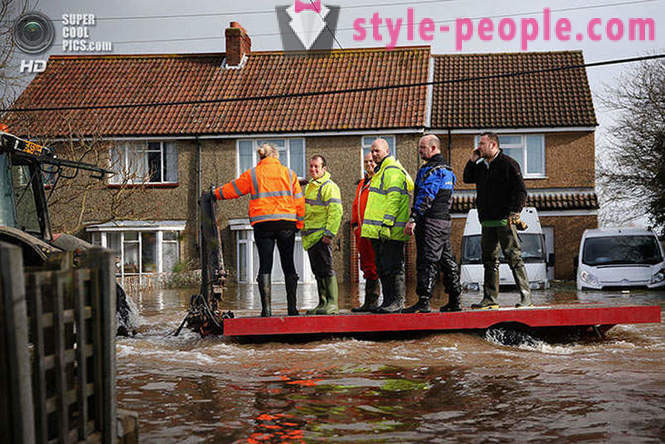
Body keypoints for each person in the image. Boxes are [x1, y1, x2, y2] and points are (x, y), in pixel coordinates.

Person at [214, 144, 305, 317]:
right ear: (277, 157)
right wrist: (299, 224)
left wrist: (215, 193)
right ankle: (292, 310)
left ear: (261, 158)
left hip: (263, 224)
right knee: (289, 265)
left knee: (265, 265)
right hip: (286, 224)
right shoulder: (289, 173)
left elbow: (234, 189)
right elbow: (299, 201)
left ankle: (266, 310)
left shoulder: (253, 173)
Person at [463, 132, 533, 309]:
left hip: (505, 220)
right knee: (489, 260)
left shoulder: (509, 164)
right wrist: (472, 159)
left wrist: (515, 212)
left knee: (514, 257)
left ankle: (526, 298)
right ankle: (490, 299)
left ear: (493, 145)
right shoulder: (481, 167)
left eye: (482, 144)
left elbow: (521, 191)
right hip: (487, 221)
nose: (479, 147)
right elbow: (466, 178)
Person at [403, 134, 463, 313]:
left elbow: (426, 196)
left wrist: (413, 218)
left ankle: (423, 301)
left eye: (423, 148)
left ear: (433, 148)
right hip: (443, 221)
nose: (420, 151)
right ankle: (455, 300)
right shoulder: (448, 171)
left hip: (430, 222)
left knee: (427, 261)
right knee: (447, 260)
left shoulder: (432, 170)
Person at [360, 138, 414, 314]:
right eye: (372, 151)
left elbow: (394, 199)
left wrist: (387, 223)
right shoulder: (379, 171)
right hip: (379, 231)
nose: (374, 154)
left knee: (393, 267)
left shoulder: (391, 170)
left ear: (387, 151)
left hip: (390, 230)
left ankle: (397, 302)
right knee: (383, 267)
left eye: (378, 151)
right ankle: (388, 301)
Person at [303, 154, 343, 315]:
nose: (313, 169)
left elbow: (336, 212)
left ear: (323, 168)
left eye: (316, 167)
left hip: (322, 236)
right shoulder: (310, 187)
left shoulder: (329, 186)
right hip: (311, 237)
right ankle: (323, 302)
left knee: (327, 269)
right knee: (317, 271)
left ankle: (332, 304)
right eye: (311, 166)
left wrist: (329, 233)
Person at [350, 153, 380, 312]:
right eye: (366, 162)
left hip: (374, 230)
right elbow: (356, 205)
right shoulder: (362, 183)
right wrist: (354, 224)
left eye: (372, 161)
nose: (369, 164)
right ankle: (368, 302)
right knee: (366, 265)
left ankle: (375, 301)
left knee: (376, 265)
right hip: (361, 231)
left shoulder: (379, 180)